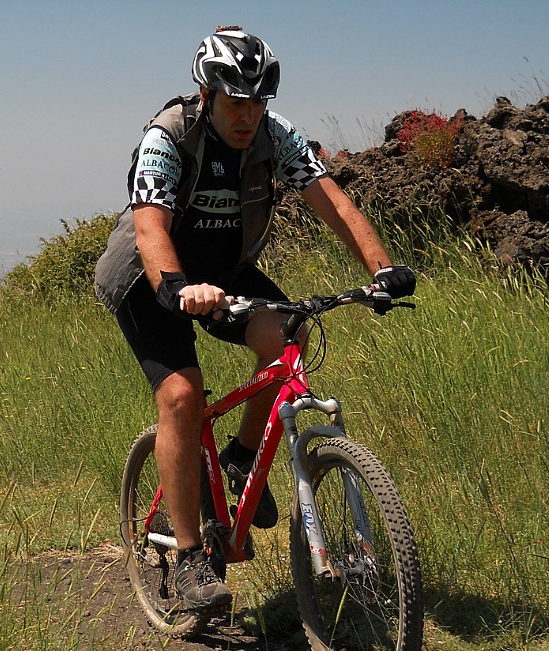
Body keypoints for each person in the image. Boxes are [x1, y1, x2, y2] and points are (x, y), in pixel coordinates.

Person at [95, 26, 416, 615]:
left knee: (286, 334)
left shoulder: (277, 137)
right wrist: (178, 288)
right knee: (182, 395)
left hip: (227, 270)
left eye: (258, 100)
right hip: (149, 278)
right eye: (235, 101)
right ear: (207, 92)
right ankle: (190, 556)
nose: (247, 114)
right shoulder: (168, 137)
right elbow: (150, 230)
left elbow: (335, 203)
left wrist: (383, 269)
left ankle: (241, 458)